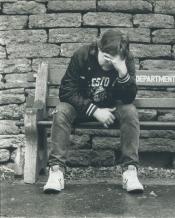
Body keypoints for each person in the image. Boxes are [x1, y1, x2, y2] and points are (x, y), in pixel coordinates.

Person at [43, 30, 144, 194]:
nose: (107, 64)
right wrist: (95, 110)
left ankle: (130, 171)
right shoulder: (82, 55)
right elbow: (66, 91)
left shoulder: (126, 58)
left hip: (112, 107)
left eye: (112, 62)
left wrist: (123, 73)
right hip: (83, 106)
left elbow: (128, 98)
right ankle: (56, 171)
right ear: (99, 48)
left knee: (130, 112)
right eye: (105, 58)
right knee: (61, 110)